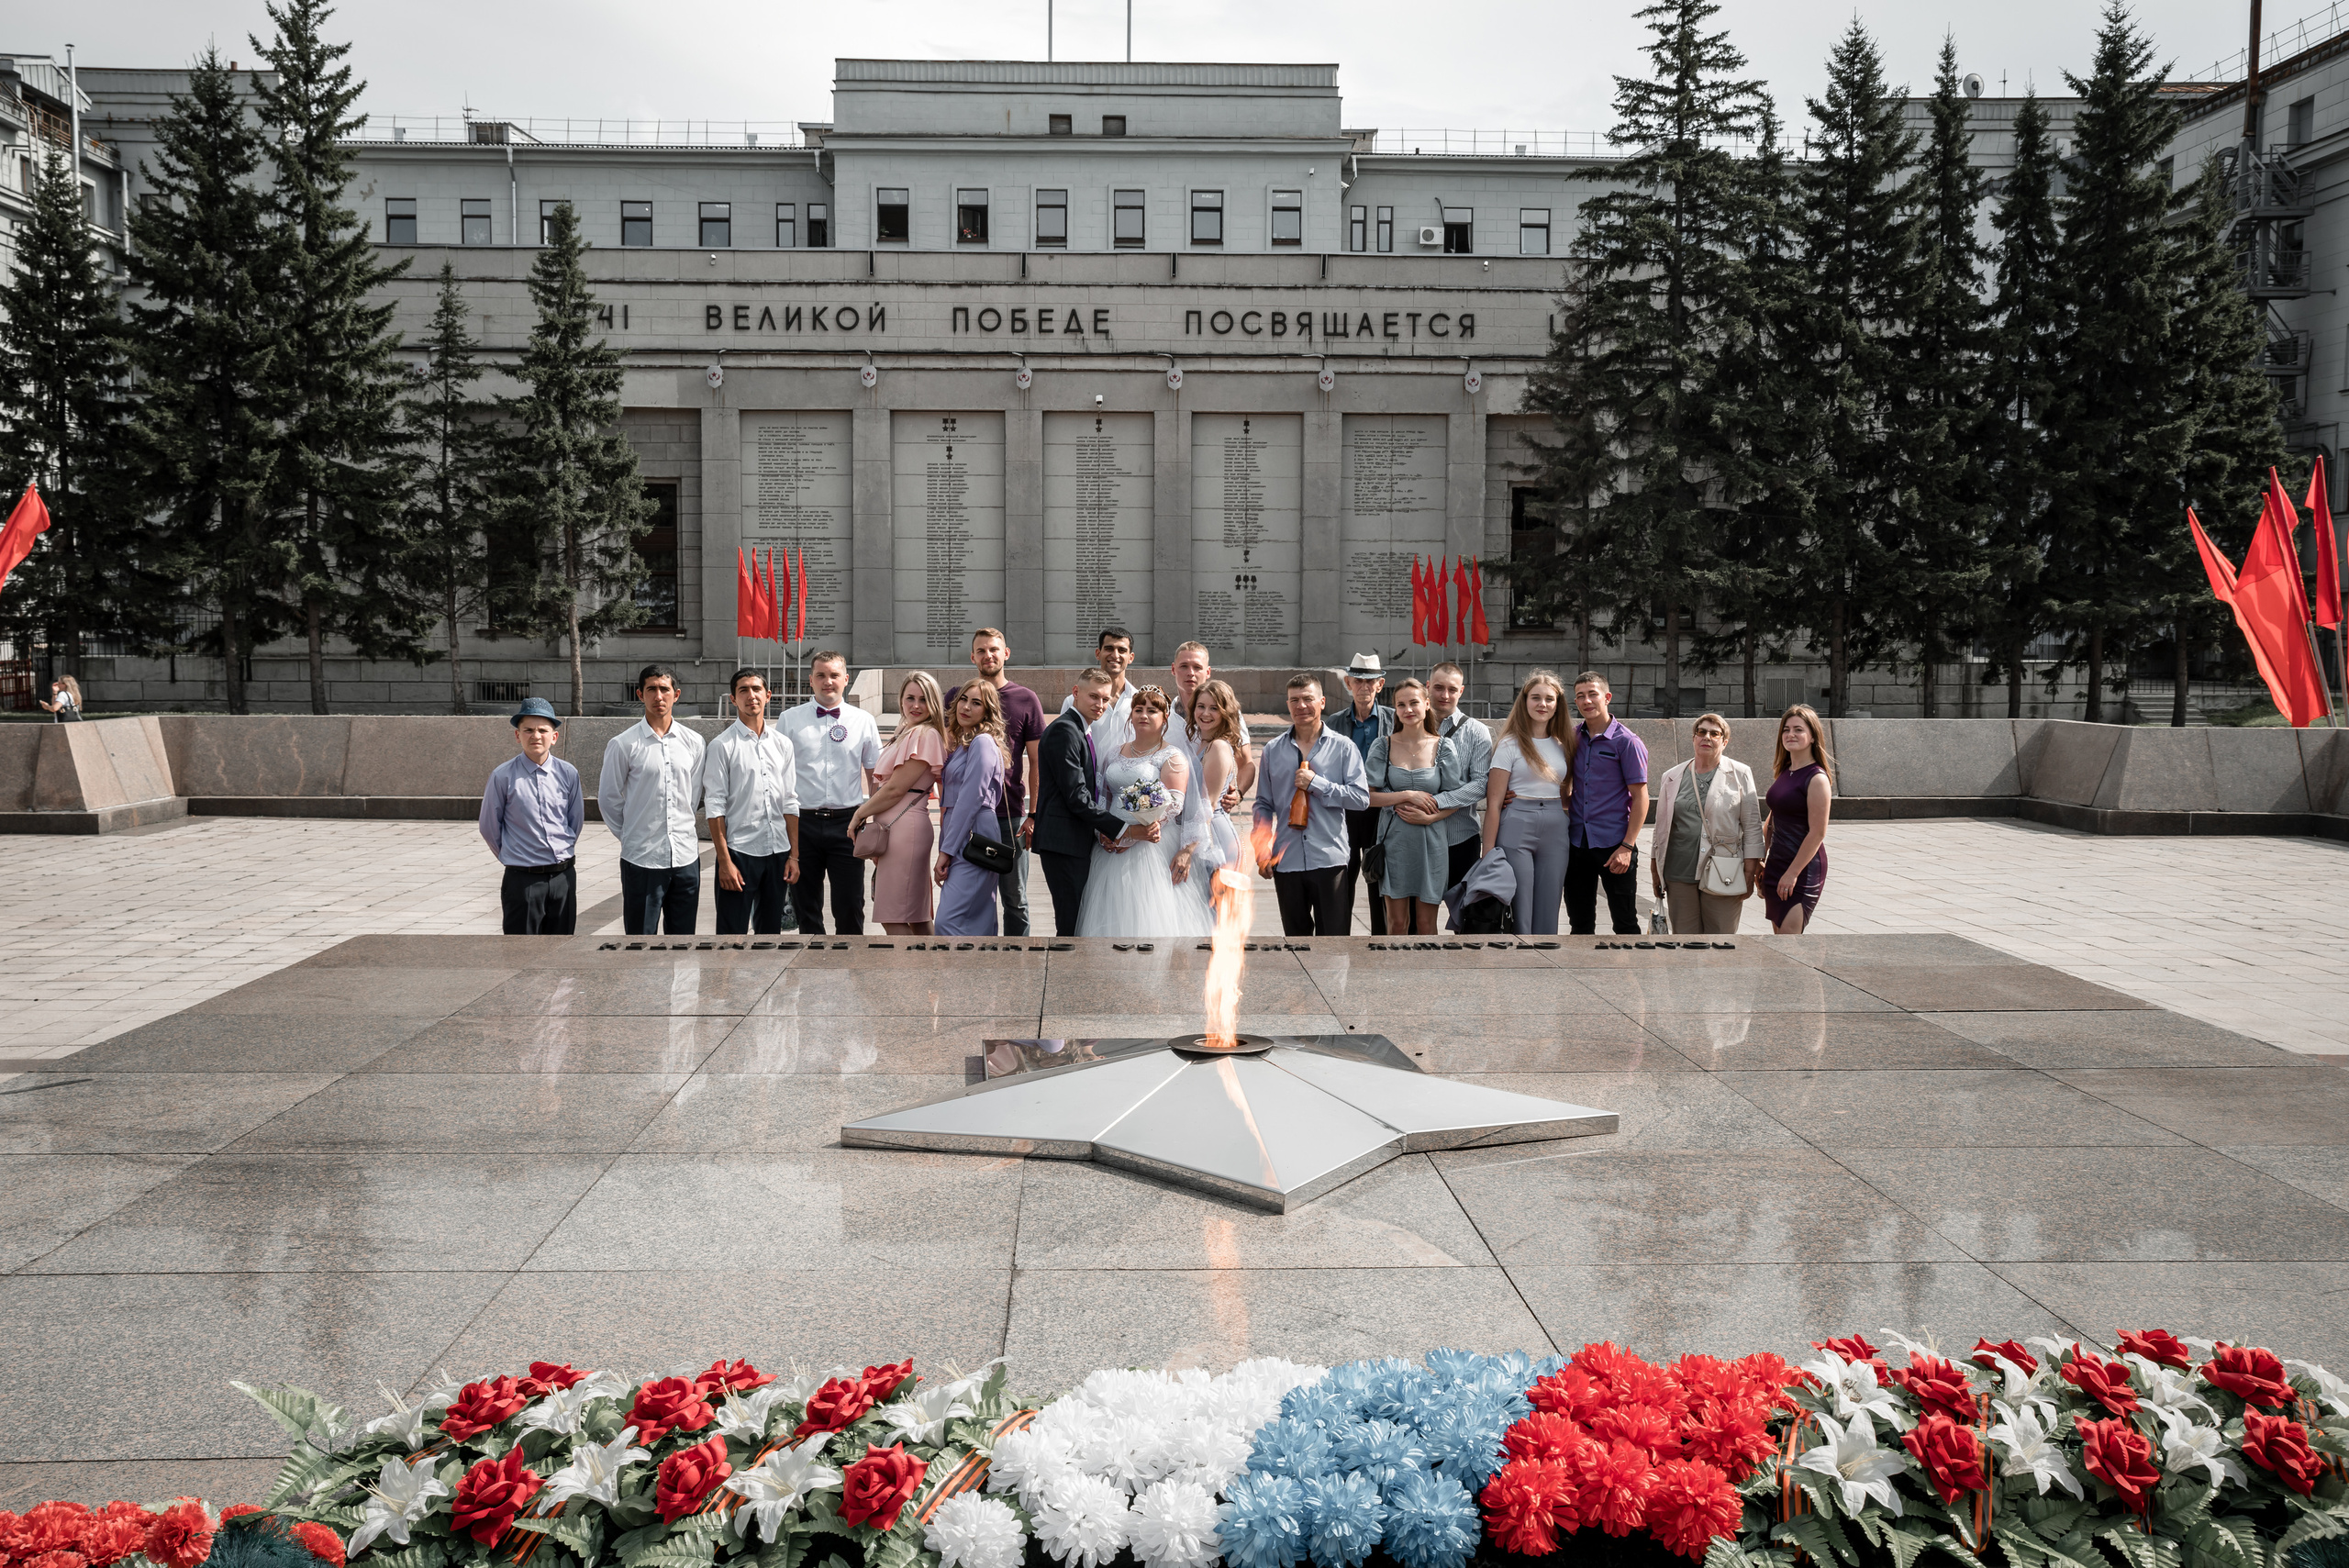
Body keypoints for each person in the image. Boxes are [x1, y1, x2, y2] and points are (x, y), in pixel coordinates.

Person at [1075, 684, 1212, 939]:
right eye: (1138, 709)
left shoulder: (1172, 757)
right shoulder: (1115, 753)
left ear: (1164, 719)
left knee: (1146, 915)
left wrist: (1134, 834)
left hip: (1150, 847)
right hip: (1110, 845)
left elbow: (1173, 805)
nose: (1143, 715)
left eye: (1152, 710)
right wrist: (1103, 832)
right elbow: (1102, 798)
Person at [1033, 669, 1151, 936]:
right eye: (1093, 697)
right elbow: (1076, 796)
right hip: (1063, 842)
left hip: (1073, 839)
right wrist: (1122, 829)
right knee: (1070, 920)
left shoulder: (1080, 730)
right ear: (1076, 693)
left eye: (1105, 699)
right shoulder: (1065, 731)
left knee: (1076, 917)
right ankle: (1066, 975)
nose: (1100, 705)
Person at [1252, 673, 1369, 937]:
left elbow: (1361, 799)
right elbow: (1262, 804)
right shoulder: (1272, 750)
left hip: (1329, 859)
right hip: (1287, 859)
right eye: (1294, 700)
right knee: (1296, 943)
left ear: (1322, 702)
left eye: (1308, 699)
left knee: (1333, 944)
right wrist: (1261, 848)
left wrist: (1318, 783)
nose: (1301, 706)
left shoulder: (1344, 748)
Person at [950, 628, 1046, 936]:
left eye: (994, 649)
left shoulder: (1025, 699)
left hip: (1009, 815)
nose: (987, 656)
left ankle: (1018, 962)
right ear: (972, 656)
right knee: (973, 895)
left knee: (1014, 898)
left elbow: (1036, 762)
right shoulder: (956, 697)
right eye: (981, 650)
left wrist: (1033, 814)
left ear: (1006, 653)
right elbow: (947, 755)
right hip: (967, 818)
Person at [602, 664, 707, 936]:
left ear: (676, 694)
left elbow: (692, 796)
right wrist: (630, 835)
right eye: (651, 689)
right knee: (640, 940)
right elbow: (609, 799)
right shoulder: (624, 744)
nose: (658, 696)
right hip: (642, 859)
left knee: (683, 941)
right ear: (640, 694)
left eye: (664, 689)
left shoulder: (694, 742)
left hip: (684, 856)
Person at [782, 651, 882, 935]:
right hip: (803, 822)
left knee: (850, 904)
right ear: (810, 680)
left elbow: (874, 777)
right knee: (806, 905)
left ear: (846, 679)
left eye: (834, 675)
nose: (828, 682)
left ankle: (851, 967)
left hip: (848, 823)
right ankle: (811, 969)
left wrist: (872, 821)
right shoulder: (790, 720)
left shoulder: (863, 721)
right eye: (821, 675)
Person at [701, 668, 801, 937]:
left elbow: (790, 801)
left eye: (756, 689)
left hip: (777, 852)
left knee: (770, 936)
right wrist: (724, 861)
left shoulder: (782, 744)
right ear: (733, 699)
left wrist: (794, 855)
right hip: (740, 853)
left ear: (768, 695)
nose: (751, 696)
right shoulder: (722, 746)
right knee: (730, 935)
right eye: (743, 690)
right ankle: (725, 981)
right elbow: (715, 804)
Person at [1647, 712, 1765, 936]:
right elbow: (1661, 829)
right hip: (1679, 869)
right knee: (1684, 938)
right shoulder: (1671, 776)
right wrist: (1655, 868)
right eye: (1701, 732)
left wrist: (1750, 872)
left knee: (1721, 938)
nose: (1707, 737)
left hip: (1724, 869)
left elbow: (1751, 827)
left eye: (1715, 733)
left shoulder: (1740, 773)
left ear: (1724, 741)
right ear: (1693, 738)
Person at [852, 671, 949, 936]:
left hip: (904, 829)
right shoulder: (908, 731)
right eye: (910, 698)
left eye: (923, 699)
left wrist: (859, 813)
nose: (916, 705)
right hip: (898, 828)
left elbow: (895, 789)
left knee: (893, 914)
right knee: (914, 914)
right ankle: (928, 972)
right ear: (901, 700)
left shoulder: (925, 735)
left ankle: (909, 975)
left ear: (934, 703)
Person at [478, 696, 584, 935]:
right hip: (522, 880)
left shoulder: (568, 774)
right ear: (518, 736)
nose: (536, 735)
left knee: (561, 950)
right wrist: (515, 856)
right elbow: (488, 827)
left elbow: (574, 821)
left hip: (563, 877)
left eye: (543, 730)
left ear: (554, 737)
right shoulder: (503, 776)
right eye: (528, 730)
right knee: (521, 955)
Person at [1364, 680, 1464, 936]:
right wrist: (1407, 795)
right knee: (1397, 925)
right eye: (1401, 704)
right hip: (1394, 843)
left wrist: (1431, 818)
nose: (1408, 709)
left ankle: (1426, 976)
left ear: (1427, 704)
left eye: (1414, 703)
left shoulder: (1443, 746)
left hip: (1431, 843)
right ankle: (1394, 975)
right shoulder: (1383, 746)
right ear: (1395, 710)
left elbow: (1456, 796)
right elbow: (1367, 796)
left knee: (1426, 925)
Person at [1480, 671, 1575, 936]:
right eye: (1535, 698)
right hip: (1517, 825)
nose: (1542, 704)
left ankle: (1544, 966)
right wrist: (1487, 850)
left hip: (1556, 826)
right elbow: (1495, 802)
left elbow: (1566, 793)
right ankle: (1519, 964)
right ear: (1524, 702)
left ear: (1558, 704)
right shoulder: (1509, 744)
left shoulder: (1564, 743)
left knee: (1549, 903)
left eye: (1549, 699)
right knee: (1520, 904)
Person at [1564, 671, 1651, 937]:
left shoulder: (1627, 742)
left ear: (1607, 697)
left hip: (1615, 845)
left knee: (1625, 924)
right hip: (1578, 844)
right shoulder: (1572, 738)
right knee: (1579, 925)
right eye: (1580, 696)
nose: (1586, 701)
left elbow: (1640, 797)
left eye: (1592, 694)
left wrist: (1628, 846)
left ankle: (1630, 978)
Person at [933, 680, 1009, 938]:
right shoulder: (965, 743)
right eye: (964, 699)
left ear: (987, 711)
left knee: (947, 922)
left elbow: (971, 798)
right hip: (963, 831)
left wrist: (946, 851)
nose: (966, 707)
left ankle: (962, 975)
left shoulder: (983, 742)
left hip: (974, 832)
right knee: (975, 917)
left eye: (976, 703)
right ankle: (978, 974)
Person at [1333, 653, 1398, 934]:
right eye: (1358, 680)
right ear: (1349, 683)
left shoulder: (1394, 720)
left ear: (1380, 685)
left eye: (1370, 681)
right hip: (1346, 813)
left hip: (1380, 811)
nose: (1363, 687)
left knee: (1378, 879)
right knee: (1341, 882)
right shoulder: (1335, 723)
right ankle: (1337, 940)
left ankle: (1380, 943)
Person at [1764, 704, 1836, 935]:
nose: (1790, 735)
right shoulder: (1786, 770)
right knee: (1779, 943)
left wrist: (1792, 873)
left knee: (1790, 943)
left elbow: (1817, 833)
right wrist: (1761, 859)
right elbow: (1773, 818)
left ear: (1813, 736)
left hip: (1802, 868)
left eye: (1798, 729)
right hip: (1777, 864)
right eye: (1786, 729)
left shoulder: (1816, 778)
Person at [1422, 662, 1494, 895]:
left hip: (1461, 838)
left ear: (1461, 691)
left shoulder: (1476, 731)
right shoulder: (1410, 726)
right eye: (1438, 687)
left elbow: (1481, 784)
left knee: (1463, 918)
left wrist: (1437, 802)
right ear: (1427, 687)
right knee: (1415, 919)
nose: (1445, 695)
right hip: (1418, 838)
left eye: (1452, 689)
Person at [1185, 678, 1252, 884]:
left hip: (1214, 838)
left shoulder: (1219, 747)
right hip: (1200, 834)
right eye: (1201, 706)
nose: (1205, 713)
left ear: (1225, 712)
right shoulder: (1200, 743)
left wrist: (1188, 850)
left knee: (1214, 911)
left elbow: (1209, 806)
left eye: (1214, 708)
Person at [1058, 626, 1138, 750]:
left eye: (1122, 650)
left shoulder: (1139, 701)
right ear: (1098, 653)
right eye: (1109, 648)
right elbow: (1065, 745)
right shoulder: (1074, 701)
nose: (1115, 655)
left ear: (1131, 657)